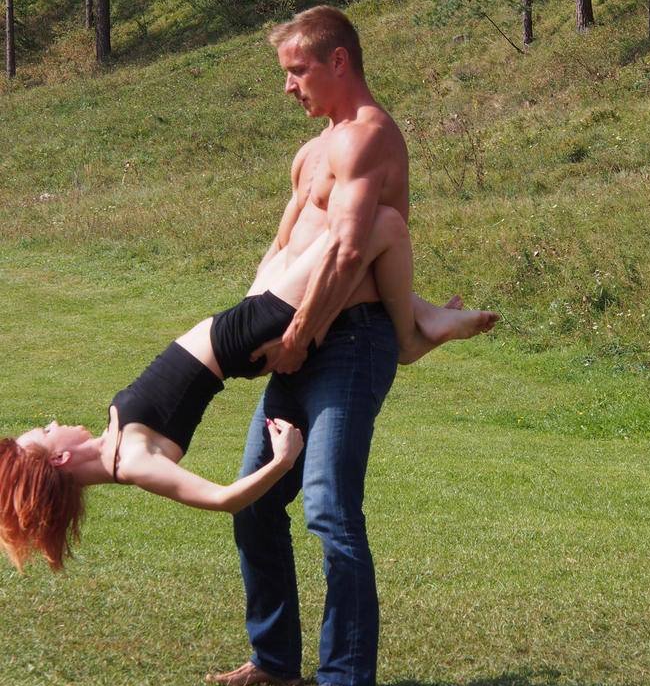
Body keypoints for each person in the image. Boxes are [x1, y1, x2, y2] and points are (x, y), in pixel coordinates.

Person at [207, 5, 496, 686]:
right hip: (295, 342)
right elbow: (283, 251)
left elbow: (346, 250)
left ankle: (345, 681)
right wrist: (250, 329)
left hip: (349, 344)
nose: (288, 87)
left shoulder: (371, 137)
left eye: (298, 71)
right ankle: (275, 659)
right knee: (254, 502)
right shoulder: (311, 154)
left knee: (330, 506)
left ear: (339, 61)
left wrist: (300, 335)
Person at [1, 194, 492, 574]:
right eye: (45, 432)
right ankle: (414, 332)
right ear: (59, 458)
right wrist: (282, 461)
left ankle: (422, 321)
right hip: (243, 339)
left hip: (236, 326)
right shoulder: (133, 461)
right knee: (376, 225)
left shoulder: (114, 443)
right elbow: (224, 499)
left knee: (301, 228)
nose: (52, 423)